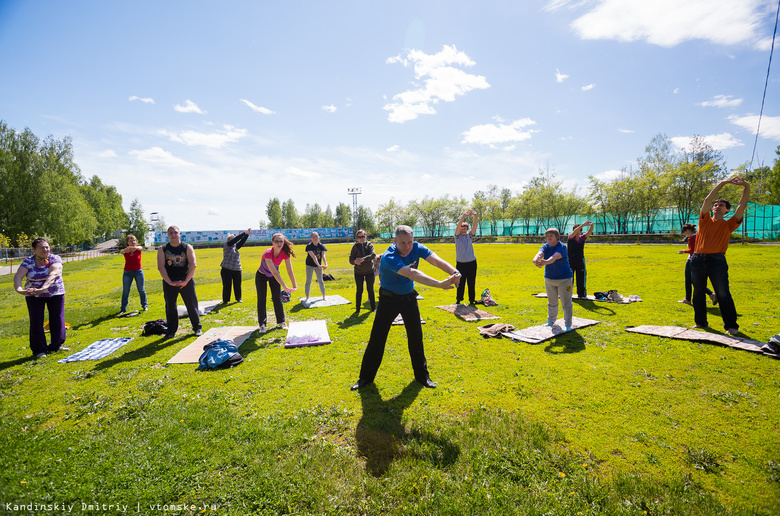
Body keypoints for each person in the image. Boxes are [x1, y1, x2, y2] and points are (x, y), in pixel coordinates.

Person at [351, 225, 461, 390]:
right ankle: (365, 378)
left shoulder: (416, 247)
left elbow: (436, 260)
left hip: (409, 297)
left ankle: (422, 377)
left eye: (410, 242)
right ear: (395, 241)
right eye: (403, 243)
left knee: (416, 337)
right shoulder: (389, 257)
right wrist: (440, 284)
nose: (407, 247)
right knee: (377, 339)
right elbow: (412, 273)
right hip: (388, 300)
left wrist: (454, 272)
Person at [690, 177, 750, 335]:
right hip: (697, 259)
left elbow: (742, 205)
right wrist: (722, 183)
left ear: (727, 210)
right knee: (698, 293)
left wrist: (746, 186)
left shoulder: (729, 223)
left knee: (723, 293)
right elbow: (707, 200)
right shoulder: (704, 219)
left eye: (721, 205)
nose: (716, 207)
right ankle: (700, 322)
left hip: (717, 260)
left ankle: (731, 326)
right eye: (715, 205)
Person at [13, 238, 69, 359]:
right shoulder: (28, 262)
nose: (45, 249)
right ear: (34, 249)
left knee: (57, 318)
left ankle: (56, 345)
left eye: (47, 247)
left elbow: (54, 273)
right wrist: (19, 289)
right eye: (41, 247)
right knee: (36, 321)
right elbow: (18, 276)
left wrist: (44, 288)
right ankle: (39, 350)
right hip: (33, 295)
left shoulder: (55, 258)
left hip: (55, 293)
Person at [157, 226, 201, 339]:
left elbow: (193, 264)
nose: (173, 234)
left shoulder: (187, 247)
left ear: (179, 234)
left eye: (175, 232)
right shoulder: (162, 249)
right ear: (167, 235)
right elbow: (161, 267)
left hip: (186, 281)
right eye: (170, 233)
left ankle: (197, 328)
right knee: (170, 306)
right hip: (170, 282)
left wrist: (186, 280)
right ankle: (171, 331)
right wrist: (169, 282)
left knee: (192, 305)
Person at [533, 228, 574, 331]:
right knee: (552, 302)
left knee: (566, 303)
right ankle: (550, 321)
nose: (548, 238)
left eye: (551, 235)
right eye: (547, 236)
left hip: (564, 279)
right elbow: (540, 253)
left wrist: (544, 262)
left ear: (556, 237)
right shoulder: (546, 246)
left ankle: (568, 325)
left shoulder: (562, 247)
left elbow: (554, 258)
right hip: (549, 279)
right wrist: (536, 259)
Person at [256, 233, 297, 333]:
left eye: (281, 241)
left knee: (277, 298)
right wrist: (285, 286)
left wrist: (294, 285)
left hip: (274, 276)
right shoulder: (267, 253)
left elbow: (289, 270)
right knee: (262, 299)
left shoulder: (285, 253)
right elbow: (274, 272)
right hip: (261, 276)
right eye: (277, 241)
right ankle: (262, 324)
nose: (279, 243)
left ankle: (281, 321)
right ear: (272, 242)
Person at [677, 223, 716, 306]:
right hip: (699, 259)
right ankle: (710, 294)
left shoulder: (691, 238)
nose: (685, 235)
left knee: (690, 280)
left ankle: (690, 298)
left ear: (687, 230)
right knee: (693, 280)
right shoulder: (699, 235)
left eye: (684, 232)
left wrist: (683, 251)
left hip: (692, 259)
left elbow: (692, 250)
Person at [119, 234, 148, 314]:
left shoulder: (138, 249)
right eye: (131, 241)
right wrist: (125, 250)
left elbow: (140, 247)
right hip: (127, 273)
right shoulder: (126, 250)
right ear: (127, 242)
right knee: (126, 291)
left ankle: (144, 306)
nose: (133, 242)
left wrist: (133, 248)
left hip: (138, 272)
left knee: (141, 289)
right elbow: (121, 251)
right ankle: (123, 308)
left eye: (134, 240)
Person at [454, 209, 478, 305]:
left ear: (467, 229)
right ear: (459, 229)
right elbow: (458, 226)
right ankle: (459, 300)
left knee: (471, 282)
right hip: (461, 264)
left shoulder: (469, 236)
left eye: (465, 228)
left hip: (472, 263)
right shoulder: (457, 237)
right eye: (461, 228)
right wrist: (463, 216)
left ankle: (472, 300)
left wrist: (475, 216)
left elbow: (475, 225)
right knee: (460, 283)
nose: (463, 230)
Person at [220, 228, 251, 304]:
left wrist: (246, 235)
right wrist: (244, 233)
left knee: (237, 285)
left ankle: (238, 298)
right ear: (228, 240)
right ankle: (226, 300)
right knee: (227, 285)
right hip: (226, 269)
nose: (234, 241)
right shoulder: (226, 245)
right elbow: (235, 240)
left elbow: (241, 241)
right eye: (231, 239)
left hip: (237, 269)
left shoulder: (235, 247)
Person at [349, 229, 376, 312]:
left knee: (370, 289)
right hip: (358, 272)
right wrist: (354, 262)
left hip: (369, 271)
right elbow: (351, 259)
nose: (361, 238)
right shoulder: (355, 247)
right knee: (359, 290)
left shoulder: (369, 245)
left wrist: (362, 259)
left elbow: (373, 255)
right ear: (357, 238)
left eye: (362, 236)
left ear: (365, 236)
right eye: (359, 237)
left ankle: (373, 308)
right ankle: (357, 309)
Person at [567, 220, 594, 299]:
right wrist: (582, 225)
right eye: (576, 229)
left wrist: (591, 225)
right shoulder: (570, 237)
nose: (578, 230)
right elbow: (574, 232)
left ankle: (581, 294)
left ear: (581, 231)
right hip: (570, 260)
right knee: (569, 278)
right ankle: (568, 294)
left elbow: (589, 231)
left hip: (580, 260)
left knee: (581, 277)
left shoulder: (582, 238)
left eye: (579, 229)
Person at [304, 231, 328, 302]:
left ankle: (323, 296)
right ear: (311, 238)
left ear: (318, 237)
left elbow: (323, 256)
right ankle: (307, 297)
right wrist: (319, 265)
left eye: (316, 236)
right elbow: (313, 257)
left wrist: (326, 264)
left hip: (318, 265)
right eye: (313, 237)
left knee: (320, 280)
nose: (315, 238)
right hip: (310, 265)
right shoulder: (309, 246)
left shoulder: (321, 246)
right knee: (308, 280)